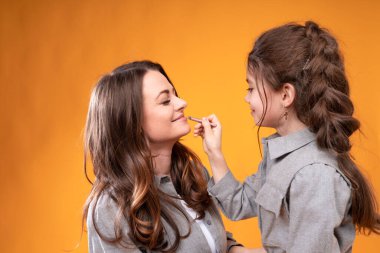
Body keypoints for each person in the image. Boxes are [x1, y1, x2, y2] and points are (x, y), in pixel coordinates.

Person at [194, 21, 380, 252]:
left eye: (251, 88)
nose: (246, 98)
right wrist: (214, 152)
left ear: (285, 95)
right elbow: (238, 205)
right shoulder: (280, 157)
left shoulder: (314, 175)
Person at [82, 60, 265, 253]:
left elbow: (214, 246)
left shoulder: (192, 173)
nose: (182, 103)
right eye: (165, 101)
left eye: (175, 94)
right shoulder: (110, 209)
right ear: (132, 122)